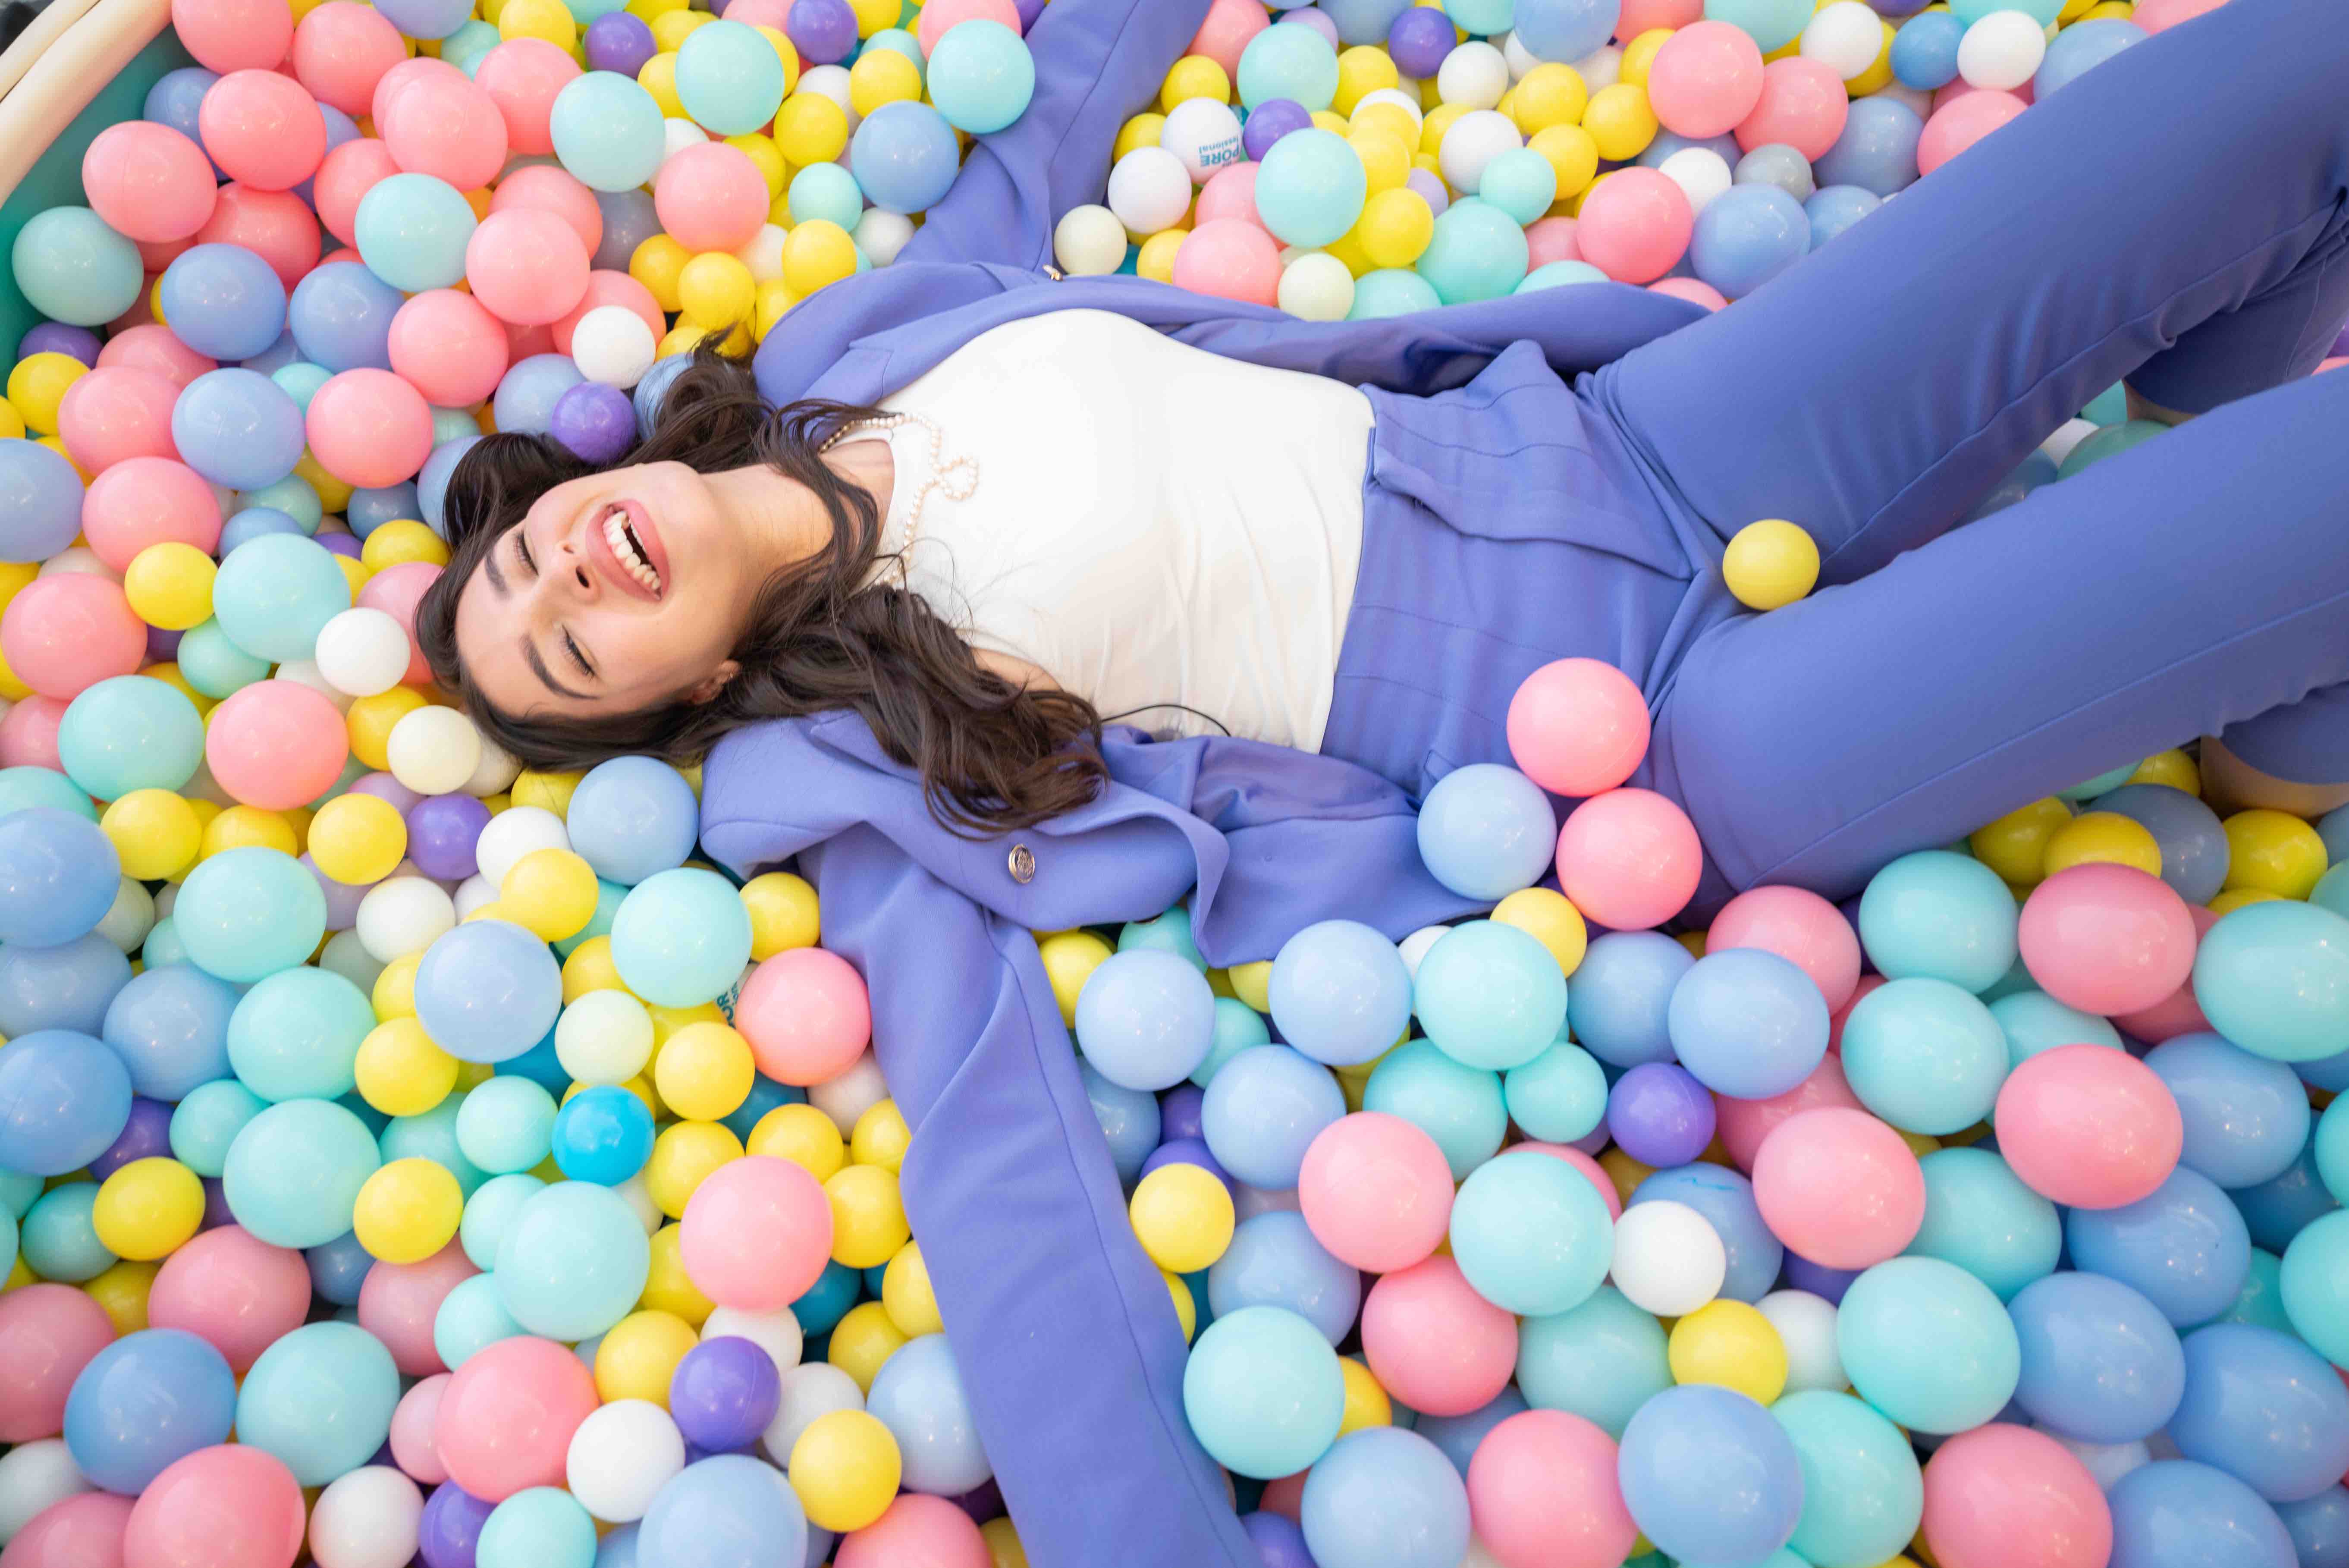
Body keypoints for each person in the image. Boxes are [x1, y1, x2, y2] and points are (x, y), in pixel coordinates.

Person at [416, 1, 2349, 1561]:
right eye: (565, 654)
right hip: (1667, 742)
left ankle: (2231, 506)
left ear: (576, 483)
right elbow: (1003, 1173)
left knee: (2288, 77)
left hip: (1644, 439)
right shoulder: (866, 765)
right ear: (696, 692)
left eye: (525, 558)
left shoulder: (859, 340)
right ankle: (2287, 733)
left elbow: (1042, 119)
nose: (564, 581)